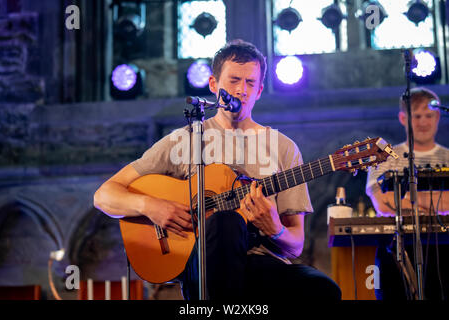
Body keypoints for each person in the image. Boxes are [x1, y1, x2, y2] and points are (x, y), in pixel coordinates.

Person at [94, 39, 341, 300]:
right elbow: (104, 195)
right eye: (234, 80)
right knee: (225, 220)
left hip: (260, 265)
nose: (242, 90)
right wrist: (152, 207)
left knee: (324, 290)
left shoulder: (283, 147)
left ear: (259, 91)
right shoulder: (184, 140)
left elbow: (296, 245)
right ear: (213, 85)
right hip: (199, 264)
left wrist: (275, 228)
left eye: (250, 83)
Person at [366, 87, 449, 300]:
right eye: (417, 116)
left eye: (428, 115)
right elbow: (383, 203)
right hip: (396, 247)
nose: (423, 122)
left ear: (438, 116)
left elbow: (394, 199)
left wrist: (408, 199)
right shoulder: (383, 157)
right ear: (403, 118)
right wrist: (437, 199)